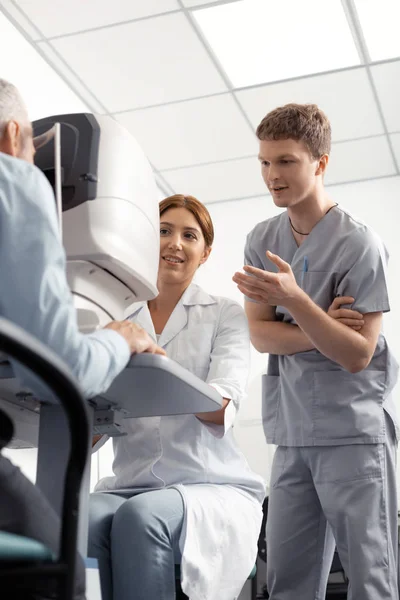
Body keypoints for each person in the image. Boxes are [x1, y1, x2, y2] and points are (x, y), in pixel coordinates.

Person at [0, 78, 164, 599]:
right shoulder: (13, 183)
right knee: (62, 566)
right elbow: (59, 372)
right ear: (12, 136)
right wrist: (117, 339)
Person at [233, 103, 399, 600]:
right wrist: (324, 324)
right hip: (292, 434)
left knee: (370, 581)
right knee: (288, 582)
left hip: (353, 433)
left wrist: (294, 302)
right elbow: (262, 336)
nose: (271, 175)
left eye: (285, 161)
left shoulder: (358, 244)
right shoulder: (261, 239)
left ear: (320, 163)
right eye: (264, 162)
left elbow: (356, 355)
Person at [88, 194, 266, 600]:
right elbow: (95, 427)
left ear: (205, 253)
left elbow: (221, 407)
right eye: (165, 231)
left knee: (141, 518)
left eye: (190, 235)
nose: (175, 243)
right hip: (129, 484)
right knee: (82, 522)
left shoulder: (224, 314)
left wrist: (157, 365)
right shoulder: (115, 320)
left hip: (208, 485)